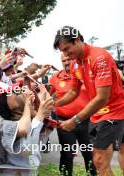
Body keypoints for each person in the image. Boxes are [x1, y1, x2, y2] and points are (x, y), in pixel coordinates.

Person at [53, 26, 124, 176]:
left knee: (99, 159)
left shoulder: (99, 57)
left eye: (67, 49)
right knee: (100, 160)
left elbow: (102, 98)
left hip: (114, 112)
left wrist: (75, 120)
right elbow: (73, 91)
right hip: (98, 115)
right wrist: (54, 104)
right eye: (62, 52)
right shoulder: (75, 63)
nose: (65, 55)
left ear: (77, 40)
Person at [49, 53, 96, 176]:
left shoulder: (87, 75)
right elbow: (48, 96)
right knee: (67, 154)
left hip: (87, 121)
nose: (66, 62)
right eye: (63, 60)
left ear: (74, 60)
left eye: (69, 59)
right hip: (64, 122)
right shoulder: (55, 77)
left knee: (89, 154)